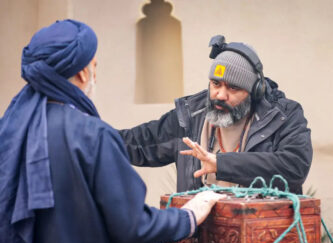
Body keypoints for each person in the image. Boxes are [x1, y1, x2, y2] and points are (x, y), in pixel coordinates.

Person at [0, 20, 224, 243]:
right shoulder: (93, 135)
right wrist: (190, 215)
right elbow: (134, 226)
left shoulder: (8, 130)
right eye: (95, 66)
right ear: (83, 73)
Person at [119, 35, 312, 194]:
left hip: (264, 235)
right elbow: (140, 143)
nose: (220, 95)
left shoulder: (284, 116)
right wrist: (94, 136)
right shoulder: (190, 115)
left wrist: (221, 164)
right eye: (216, 84)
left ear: (254, 91)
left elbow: (294, 166)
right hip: (200, 236)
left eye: (233, 88)